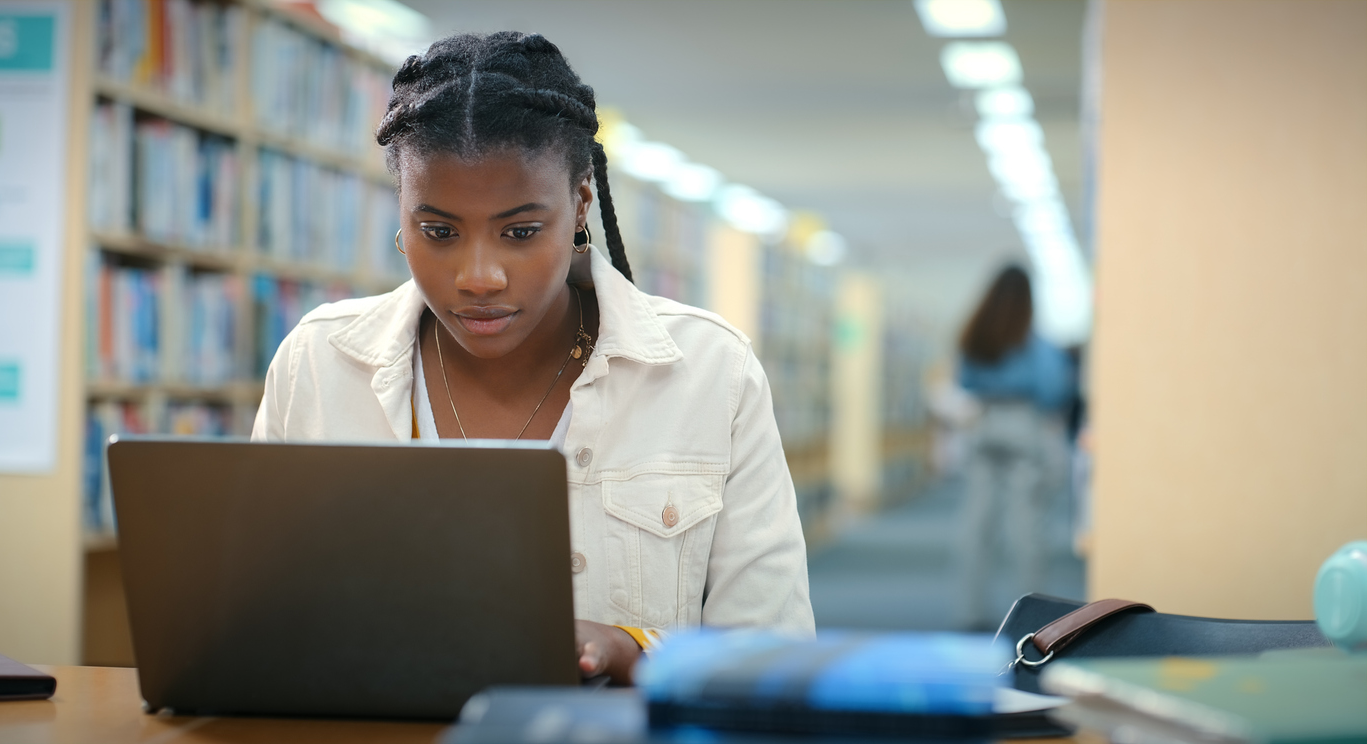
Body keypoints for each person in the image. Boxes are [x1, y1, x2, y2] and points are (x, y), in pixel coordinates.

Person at [250, 32, 815, 685]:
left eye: (519, 232)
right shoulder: (318, 363)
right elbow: (257, 618)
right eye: (438, 231)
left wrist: (638, 651)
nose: (479, 277)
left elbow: (776, 653)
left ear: (580, 205)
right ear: (401, 214)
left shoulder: (710, 371)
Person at [953, 265, 1073, 629]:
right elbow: (1054, 391)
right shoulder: (1036, 345)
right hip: (1024, 427)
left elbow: (964, 381)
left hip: (984, 425)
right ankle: (1030, 617)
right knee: (1027, 528)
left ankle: (971, 612)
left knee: (977, 525)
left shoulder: (975, 336)